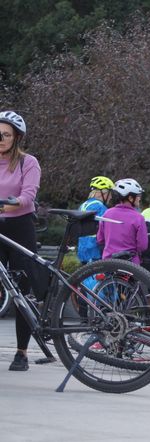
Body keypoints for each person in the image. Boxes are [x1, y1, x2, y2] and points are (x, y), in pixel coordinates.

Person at [0, 110, 43, 371]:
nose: (0, 139)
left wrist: (8, 205)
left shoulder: (28, 162)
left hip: (20, 227)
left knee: (22, 290)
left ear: (16, 137)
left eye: (5, 135)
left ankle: (22, 352)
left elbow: (28, 196)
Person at [97, 178, 148, 265]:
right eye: (138, 195)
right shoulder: (138, 217)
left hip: (108, 262)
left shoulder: (107, 213)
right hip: (130, 265)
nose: (139, 198)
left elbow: (100, 239)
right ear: (131, 198)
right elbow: (142, 246)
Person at [77, 176, 114, 265]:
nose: (111, 197)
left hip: (83, 251)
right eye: (110, 193)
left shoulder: (83, 205)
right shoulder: (100, 207)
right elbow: (106, 230)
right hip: (95, 252)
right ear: (103, 193)